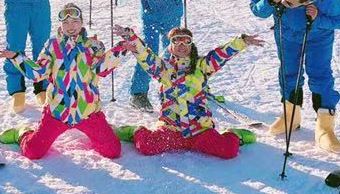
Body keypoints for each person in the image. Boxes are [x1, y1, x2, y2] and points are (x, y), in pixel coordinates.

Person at [0, 3, 124, 160]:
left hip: (87, 112)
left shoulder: (94, 46)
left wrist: (121, 48)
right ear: (61, 25)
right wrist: (16, 57)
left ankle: (119, 131)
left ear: (82, 22)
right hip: (58, 112)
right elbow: (38, 74)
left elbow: (102, 70)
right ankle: (21, 133)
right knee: (33, 152)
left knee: (113, 151)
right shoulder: (52, 45)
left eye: (75, 21)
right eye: (66, 23)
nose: (70, 26)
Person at [112, 25, 263, 159]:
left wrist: (242, 41)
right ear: (170, 46)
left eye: (186, 41)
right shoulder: (164, 69)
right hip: (171, 130)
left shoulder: (202, 66)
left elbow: (221, 55)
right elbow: (146, 57)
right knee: (146, 146)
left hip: (199, 130)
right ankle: (133, 131)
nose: (181, 45)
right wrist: (132, 38)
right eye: (176, 41)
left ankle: (236, 134)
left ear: (191, 45)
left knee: (229, 150)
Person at [249, 0, 340, 152]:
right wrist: (270, 0)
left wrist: (318, 19)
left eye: (289, 4)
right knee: (288, 73)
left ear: (307, 2)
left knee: (320, 75)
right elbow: (255, 8)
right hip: (286, 34)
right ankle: (290, 117)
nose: (284, 3)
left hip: (318, 37)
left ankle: (325, 127)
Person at [109, 0, 191, 112]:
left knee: (174, 51)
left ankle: (173, 90)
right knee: (147, 52)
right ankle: (138, 94)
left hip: (172, 11)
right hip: (150, 15)